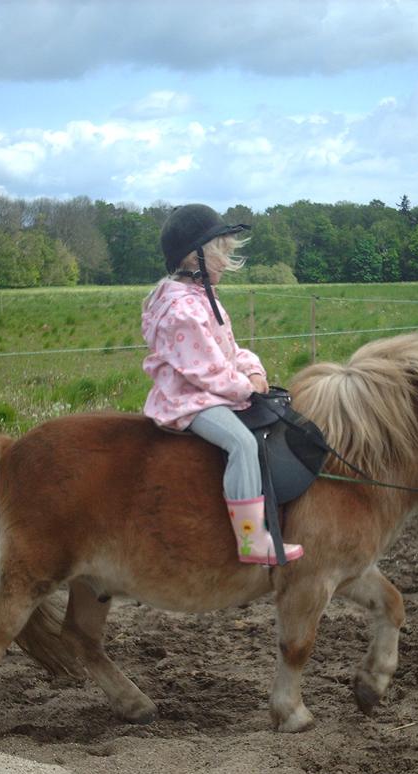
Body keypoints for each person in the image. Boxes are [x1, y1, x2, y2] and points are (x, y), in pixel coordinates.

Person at [141, 204, 303, 566]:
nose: (226, 264)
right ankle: (251, 540)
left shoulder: (202, 299)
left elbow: (228, 350)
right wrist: (247, 388)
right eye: (222, 255)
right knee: (243, 443)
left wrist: (254, 371)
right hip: (190, 399)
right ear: (194, 258)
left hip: (210, 390)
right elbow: (207, 370)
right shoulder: (181, 310)